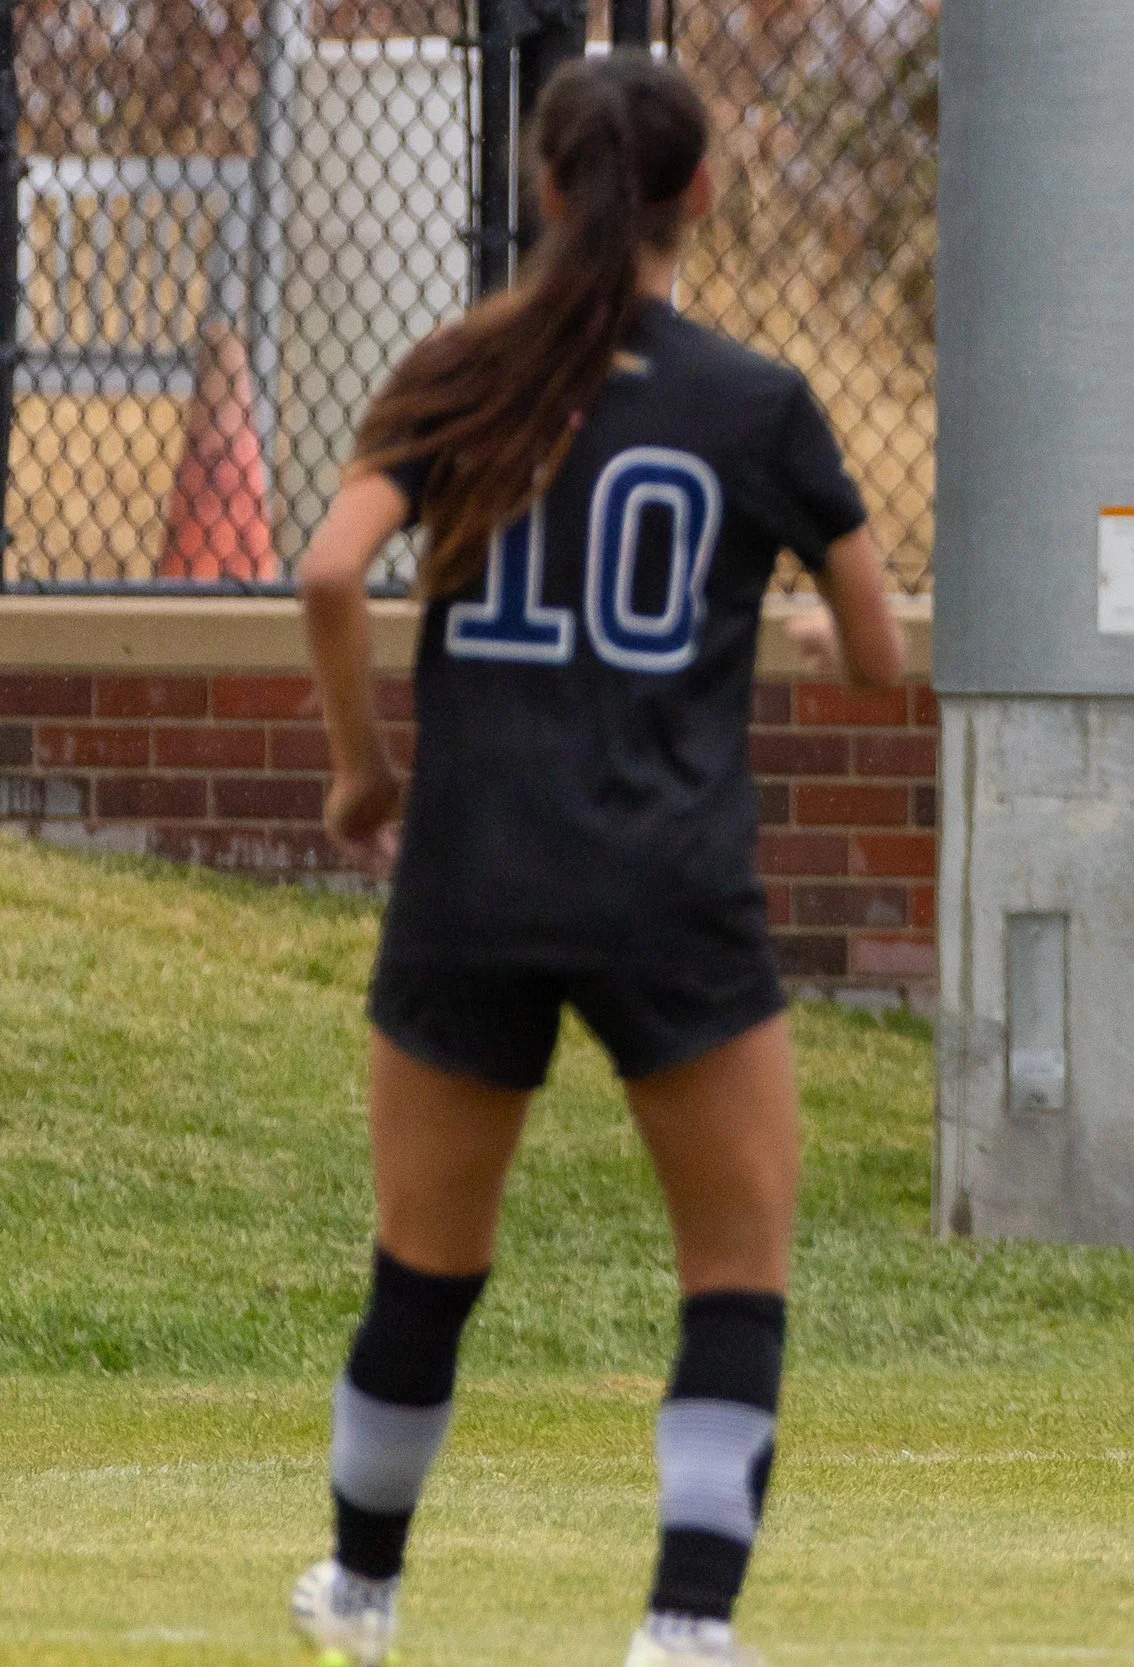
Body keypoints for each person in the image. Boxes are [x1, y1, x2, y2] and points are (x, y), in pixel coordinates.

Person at [288, 55, 904, 1667]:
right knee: (733, 1269)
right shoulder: (754, 402)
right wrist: (790, 630)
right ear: (701, 194)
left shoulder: (456, 370)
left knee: (427, 1259)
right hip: (667, 882)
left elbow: (333, 572)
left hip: (471, 876)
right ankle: (684, 1623)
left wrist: (363, 771)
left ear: (545, 187)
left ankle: (361, 1588)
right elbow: (879, 654)